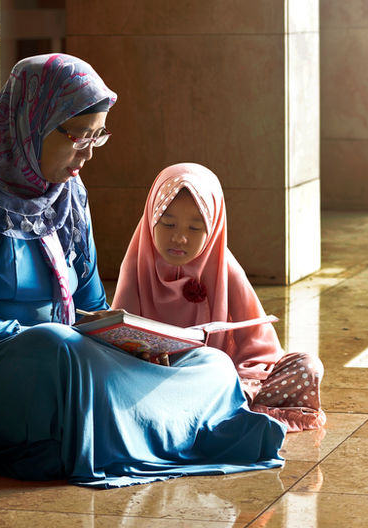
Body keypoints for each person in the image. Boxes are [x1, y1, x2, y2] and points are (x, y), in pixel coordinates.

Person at [0, 54, 285, 488]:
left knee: (210, 364)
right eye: (78, 136)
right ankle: (166, 429)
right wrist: (58, 335)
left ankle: (141, 428)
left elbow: (90, 309)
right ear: (34, 121)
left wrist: (132, 343)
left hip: (67, 367)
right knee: (56, 340)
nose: (86, 153)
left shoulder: (68, 197)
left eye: (97, 137)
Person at [112, 162, 327, 433]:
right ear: (151, 219)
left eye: (194, 228)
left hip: (214, 380)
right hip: (153, 378)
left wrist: (239, 377)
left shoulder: (224, 268)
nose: (179, 238)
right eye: (167, 224)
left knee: (306, 365)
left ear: (213, 229)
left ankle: (217, 409)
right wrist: (146, 359)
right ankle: (217, 415)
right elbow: (120, 342)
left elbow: (259, 347)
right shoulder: (137, 263)